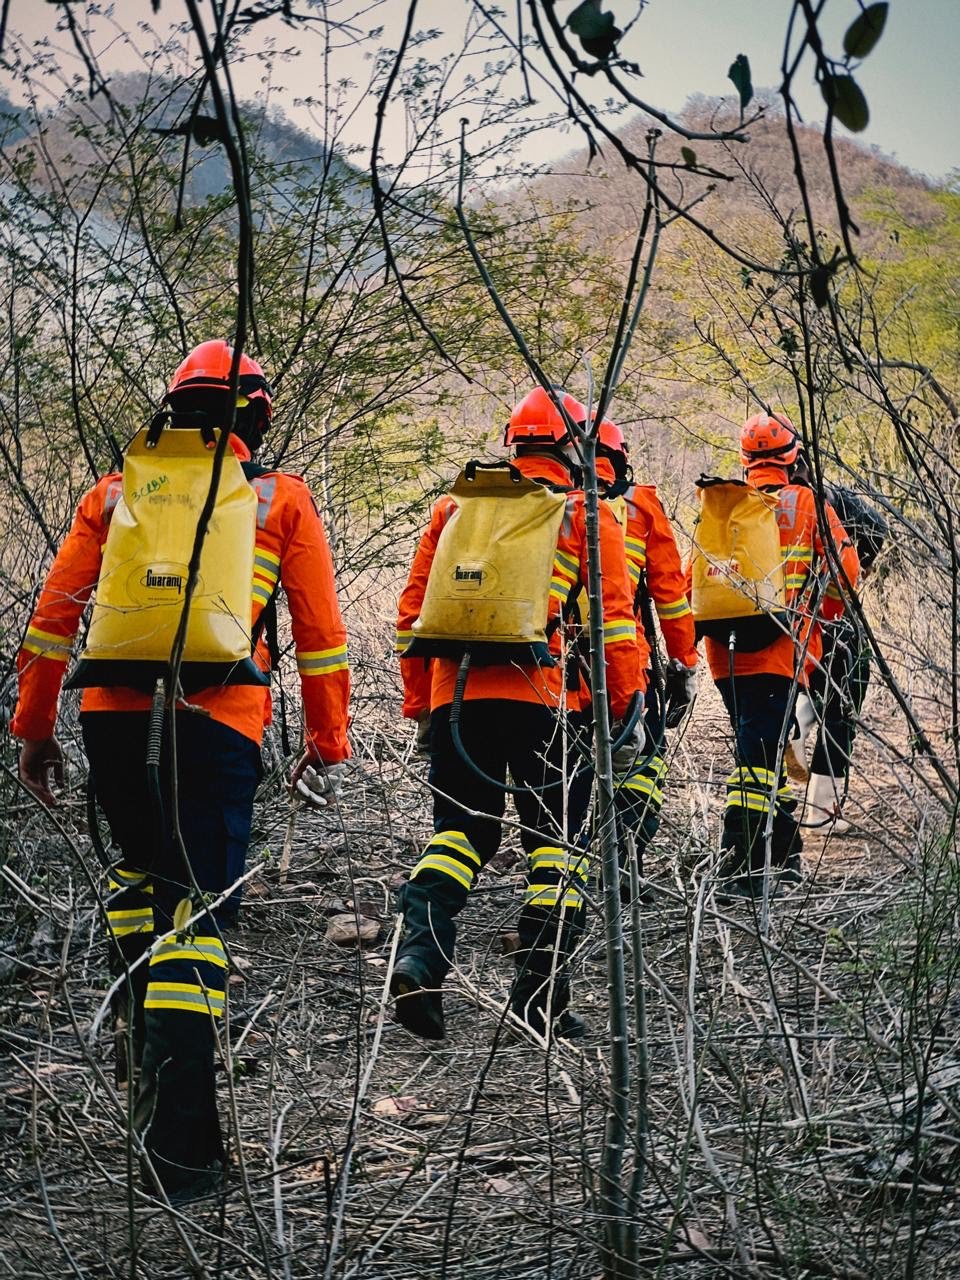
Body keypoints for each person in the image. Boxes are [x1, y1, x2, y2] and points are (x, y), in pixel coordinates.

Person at [12, 340, 350, 1203]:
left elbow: (55, 619)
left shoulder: (115, 493)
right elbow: (319, 632)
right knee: (198, 911)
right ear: (258, 416)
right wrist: (328, 738)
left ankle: (138, 1028)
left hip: (111, 716)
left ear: (174, 410)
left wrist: (34, 727)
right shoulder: (281, 498)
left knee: (139, 868)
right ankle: (182, 1152)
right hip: (220, 720)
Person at [393, 386, 641, 1042]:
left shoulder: (456, 505)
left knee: (458, 836)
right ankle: (540, 999)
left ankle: (419, 958)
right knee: (557, 849)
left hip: (458, 697)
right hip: (553, 702)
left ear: (514, 443)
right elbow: (615, 626)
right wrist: (622, 712)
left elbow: (410, 612)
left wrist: (423, 704)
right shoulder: (588, 515)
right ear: (574, 447)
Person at [703, 412, 859, 897]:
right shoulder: (809, 502)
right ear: (792, 457)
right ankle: (743, 865)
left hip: (722, 656)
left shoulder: (722, 500)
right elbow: (845, 574)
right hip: (782, 652)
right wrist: (822, 616)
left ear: (746, 459)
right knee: (756, 761)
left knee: (762, 752)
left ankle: (783, 858)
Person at [593, 418, 698, 874]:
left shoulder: (532, 500)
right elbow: (671, 598)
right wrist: (684, 665)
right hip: (629, 662)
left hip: (547, 670)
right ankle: (625, 856)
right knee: (645, 759)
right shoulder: (639, 505)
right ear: (620, 460)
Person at [785, 455, 888, 831]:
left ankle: (795, 728)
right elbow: (877, 527)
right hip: (834, 619)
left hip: (780, 625)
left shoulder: (758, 498)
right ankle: (823, 813)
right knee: (841, 709)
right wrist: (860, 565)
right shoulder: (828, 497)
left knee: (806, 689)